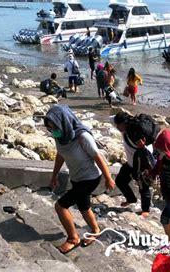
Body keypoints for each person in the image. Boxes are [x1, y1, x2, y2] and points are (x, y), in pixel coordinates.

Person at [44, 105, 116, 254]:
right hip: (77, 177)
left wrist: (109, 178)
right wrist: (54, 175)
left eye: (54, 127)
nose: (52, 131)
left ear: (62, 123)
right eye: (50, 129)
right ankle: (96, 230)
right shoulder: (61, 136)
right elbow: (60, 155)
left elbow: (98, 157)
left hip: (90, 178)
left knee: (60, 206)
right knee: (84, 207)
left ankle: (73, 239)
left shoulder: (82, 136)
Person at [112, 112, 155, 218]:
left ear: (124, 123)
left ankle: (146, 210)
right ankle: (131, 199)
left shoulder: (136, 134)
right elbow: (112, 117)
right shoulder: (124, 130)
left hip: (140, 165)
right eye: (116, 124)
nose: (117, 127)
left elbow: (149, 152)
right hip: (130, 163)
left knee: (143, 187)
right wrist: (131, 116)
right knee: (120, 181)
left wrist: (142, 147)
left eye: (118, 125)